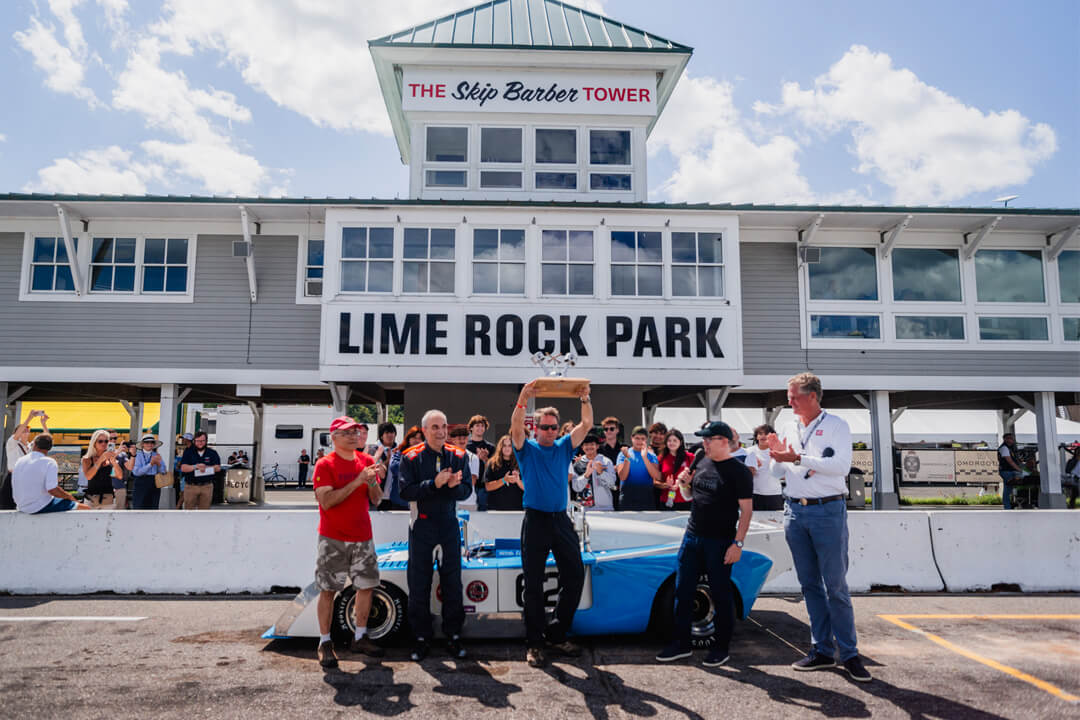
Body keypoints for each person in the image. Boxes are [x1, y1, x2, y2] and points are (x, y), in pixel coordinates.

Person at [766, 372, 871, 682]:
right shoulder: (789, 426)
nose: (789, 401)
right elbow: (776, 472)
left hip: (828, 511)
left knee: (836, 586)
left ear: (812, 396)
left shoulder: (837, 426)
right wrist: (776, 455)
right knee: (810, 586)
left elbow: (840, 466)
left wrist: (797, 457)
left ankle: (850, 655)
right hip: (795, 512)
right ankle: (822, 650)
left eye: (794, 396)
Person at [657, 420, 752, 666]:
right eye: (703, 440)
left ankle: (721, 648)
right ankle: (681, 644)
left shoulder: (739, 471)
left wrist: (738, 544)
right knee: (683, 590)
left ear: (724, 441)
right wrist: (683, 483)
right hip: (692, 536)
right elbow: (690, 496)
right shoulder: (701, 459)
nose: (704, 444)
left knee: (720, 595)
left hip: (720, 541)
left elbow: (747, 511)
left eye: (709, 440)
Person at [511, 379, 592, 668]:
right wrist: (523, 397)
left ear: (558, 429)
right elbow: (515, 427)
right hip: (535, 521)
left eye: (553, 427)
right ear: (537, 428)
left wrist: (584, 399)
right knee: (533, 584)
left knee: (575, 576)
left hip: (561, 519)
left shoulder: (563, 446)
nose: (548, 431)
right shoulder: (526, 448)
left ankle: (557, 633)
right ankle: (534, 643)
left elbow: (586, 424)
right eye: (544, 426)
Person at [311, 416, 386, 669]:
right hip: (333, 537)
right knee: (328, 589)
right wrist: (357, 480)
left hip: (363, 536)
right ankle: (325, 642)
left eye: (356, 432)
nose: (354, 436)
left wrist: (372, 480)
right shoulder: (325, 464)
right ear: (334, 437)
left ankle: (360, 636)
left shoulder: (366, 461)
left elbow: (377, 499)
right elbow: (327, 501)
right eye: (347, 433)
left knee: (366, 587)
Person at [399, 409, 473, 661]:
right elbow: (405, 492)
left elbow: (466, 491)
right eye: (435, 427)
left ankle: (453, 635)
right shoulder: (410, 457)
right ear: (424, 431)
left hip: (449, 526)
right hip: (422, 527)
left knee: (453, 583)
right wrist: (435, 483)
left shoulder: (459, 455)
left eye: (444, 426)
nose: (441, 431)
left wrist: (454, 487)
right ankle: (420, 637)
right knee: (419, 585)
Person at [13, 434, 89, 513]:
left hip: (21, 506)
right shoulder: (49, 462)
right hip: (39, 506)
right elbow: (52, 489)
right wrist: (69, 497)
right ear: (49, 448)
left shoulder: (19, 461)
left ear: (34, 444)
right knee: (86, 509)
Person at [3, 408, 49, 509]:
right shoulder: (12, 443)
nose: (27, 431)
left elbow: (47, 439)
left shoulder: (31, 446)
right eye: (24, 429)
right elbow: (17, 434)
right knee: (7, 507)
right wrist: (29, 417)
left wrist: (43, 424)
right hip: (13, 477)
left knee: (26, 507)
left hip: (26, 479)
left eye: (28, 430)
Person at [615, 426, 660, 511]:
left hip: (647, 499)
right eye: (637, 438)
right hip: (627, 499)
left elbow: (656, 476)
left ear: (646, 439)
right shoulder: (623, 454)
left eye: (642, 438)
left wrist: (645, 457)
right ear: (632, 438)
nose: (639, 441)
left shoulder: (652, 456)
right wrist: (627, 458)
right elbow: (622, 477)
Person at [569, 432, 616, 510]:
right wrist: (586, 475)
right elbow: (576, 487)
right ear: (582, 447)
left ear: (597, 446)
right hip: (585, 509)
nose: (589, 447)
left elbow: (612, 484)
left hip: (606, 508)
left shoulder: (606, 461)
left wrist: (601, 473)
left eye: (592, 444)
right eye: (586, 445)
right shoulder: (578, 464)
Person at [179, 431, 221, 510]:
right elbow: (183, 468)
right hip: (191, 486)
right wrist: (196, 466)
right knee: (189, 511)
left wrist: (206, 467)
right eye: (198, 441)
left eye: (202, 441)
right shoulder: (188, 452)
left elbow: (218, 468)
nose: (200, 443)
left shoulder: (212, 453)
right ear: (194, 441)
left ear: (206, 441)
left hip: (207, 487)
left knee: (204, 512)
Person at [745, 424, 784, 511]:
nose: (763, 436)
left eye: (766, 433)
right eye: (760, 433)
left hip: (774, 494)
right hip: (754, 494)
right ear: (756, 436)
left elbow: (784, 473)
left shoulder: (778, 452)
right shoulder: (748, 452)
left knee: (776, 522)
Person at [82, 429, 123, 508]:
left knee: (108, 520)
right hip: (91, 499)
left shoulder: (110, 458)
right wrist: (101, 459)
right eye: (100, 441)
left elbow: (119, 476)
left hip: (108, 498)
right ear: (94, 443)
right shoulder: (87, 459)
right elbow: (88, 476)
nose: (104, 443)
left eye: (106, 441)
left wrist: (114, 462)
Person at [385, 426, 422, 511]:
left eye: (419, 438)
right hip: (399, 501)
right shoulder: (399, 452)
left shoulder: (425, 454)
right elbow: (394, 468)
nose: (416, 440)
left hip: (419, 501)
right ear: (408, 439)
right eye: (414, 437)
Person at [485, 434, 524, 510]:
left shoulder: (520, 463)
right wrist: (504, 480)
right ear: (500, 447)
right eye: (504, 446)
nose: (507, 448)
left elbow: (528, 489)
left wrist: (518, 481)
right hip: (496, 508)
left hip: (517, 509)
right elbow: (487, 487)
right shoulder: (493, 463)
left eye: (509, 446)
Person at [657, 429, 693, 510]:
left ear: (680, 442)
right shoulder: (661, 458)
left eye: (674, 440)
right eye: (669, 440)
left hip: (686, 501)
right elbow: (655, 481)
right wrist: (666, 485)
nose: (672, 443)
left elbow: (696, 477)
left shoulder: (690, 457)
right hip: (666, 501)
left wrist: (683, 484)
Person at [131, 434, 168, 509]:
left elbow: (163, 472)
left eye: (151, 442)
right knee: (139, 506)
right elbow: (136, 472)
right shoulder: (137, 455)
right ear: (142, 444)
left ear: (154, 444)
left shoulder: (157, 455)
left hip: (154, 482)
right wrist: (150, 464)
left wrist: (159, 464)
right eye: (147, 442)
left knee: (153, 507)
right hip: (141, 482)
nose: (149, 444)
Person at [466, 415, 495, 511]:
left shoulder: (490, 447)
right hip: (469, 485)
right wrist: (475, 458)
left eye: (482, 426)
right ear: (471, 428)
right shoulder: (466, 446)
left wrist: (485, 459)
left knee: (483, 513)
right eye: (477, 425)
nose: (480, 428)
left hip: (484, 486)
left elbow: (494, 468)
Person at [448, 424, 480, 511]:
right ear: (452, 439)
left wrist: (453, 481)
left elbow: (472, 481)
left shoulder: (473, 457)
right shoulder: (446, 456)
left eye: (464, 438)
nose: (462, 440)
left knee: (467, 525)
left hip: (468, 503)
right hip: (449, 501)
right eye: (459, 438)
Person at [598, 416, 624, 510]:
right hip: (605, 489)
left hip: (622, 490)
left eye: (612, 429)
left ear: (617, 430)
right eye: (606, 429)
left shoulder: (625, 449)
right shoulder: (598, 450)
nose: (608, 431)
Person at [997, 433, 1024, 510]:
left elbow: (1014, 460)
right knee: (1007, 489)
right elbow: (1010, 461)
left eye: (1011, 438)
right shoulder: (1004, 448)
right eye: (1008, 438)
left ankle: (1010, 505)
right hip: (1006, 471)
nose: (1011, 440)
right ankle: (1007, 507)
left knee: (1009, 489)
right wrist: (1020, 470)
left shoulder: (1010, 448)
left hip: (1009, 471)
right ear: (1004, 439)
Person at [113, 440, 135, 509]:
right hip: (105, 489)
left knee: (119, 514)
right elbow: (106, 461)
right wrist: (117, 452)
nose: (113, 440)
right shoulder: (102, 452)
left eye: (115, 438)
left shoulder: (123, 454)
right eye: (111, 438)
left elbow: (130, 467)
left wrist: (133, 455)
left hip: (120, 487)